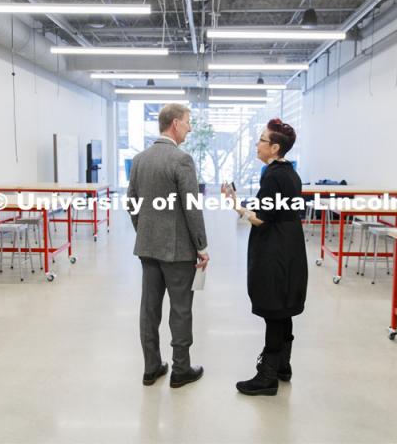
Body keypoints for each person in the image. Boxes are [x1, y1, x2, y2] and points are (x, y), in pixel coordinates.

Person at [222, 118, 308, 397]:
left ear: (274, 147)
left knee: (273, 309)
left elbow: (260, 218)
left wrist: (235, 205)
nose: (256, 144)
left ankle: (267, 376)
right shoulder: (290, 174)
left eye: (261, 139)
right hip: (290, 248)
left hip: (275, 252)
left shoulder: (272, 175)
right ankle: (283, 366)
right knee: (283, 308)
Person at [127, 103, 210, 388]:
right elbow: (191, 207)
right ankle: (181, 370)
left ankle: (151, 368)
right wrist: (201, 246)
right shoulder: (181, 159)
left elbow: (132, 203)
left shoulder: (139, 160)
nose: (190, 127)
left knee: (149, 309)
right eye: (188, 122)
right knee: (181, 309)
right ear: (175, 123)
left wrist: (144, 232)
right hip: (177, 252)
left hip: (147, 249)